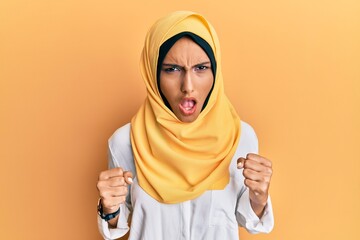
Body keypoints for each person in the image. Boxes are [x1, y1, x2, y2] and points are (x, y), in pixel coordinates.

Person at [96, 11, 274, 240]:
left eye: (201, 68)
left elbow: (248, 221)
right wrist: (109, 208)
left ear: (215, 72)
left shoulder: (240, 136)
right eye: (172, 69)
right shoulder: (126, 141)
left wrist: (259, 198)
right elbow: (117, 224)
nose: (187, 86)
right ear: (153, 73)